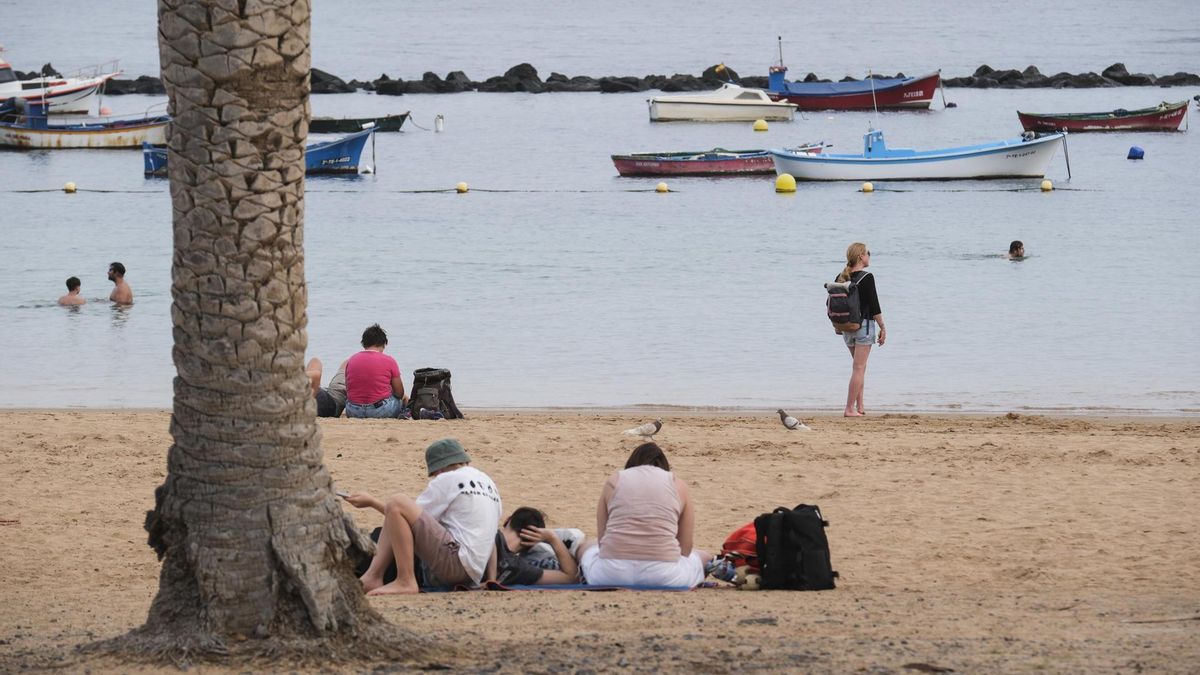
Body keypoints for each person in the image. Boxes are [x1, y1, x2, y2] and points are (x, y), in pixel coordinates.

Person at [347, 438, 501, 595]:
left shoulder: (447, 478)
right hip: (474, 575)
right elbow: (490, 536)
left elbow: (401, 516)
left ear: (439, 470)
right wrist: (490, 579)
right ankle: (372, 577)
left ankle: (404, 580)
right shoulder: (489, 483)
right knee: (398, 507)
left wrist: (372, 502)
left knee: (397, 501)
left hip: (454, 566)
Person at [576, 442, 710, 588]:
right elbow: (685, 549)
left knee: (586, 546)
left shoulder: (614, 481)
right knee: (704, 556)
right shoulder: (679, 485)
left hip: (610, 574)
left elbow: (603, 542)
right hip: (665, 576)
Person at [836, 242, 885, 417]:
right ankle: (849, 408)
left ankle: (860, 406)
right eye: (868, 253)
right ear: (861, 257)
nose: (869, 256)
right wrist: (883, 327)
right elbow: (874, 305)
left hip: (846, 328)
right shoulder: (867, 277)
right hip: (863, 327)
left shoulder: (840, 277)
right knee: (859, 368)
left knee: (859, 368)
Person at [488, 507, 580, 585]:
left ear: (507, 520)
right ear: (533, 542)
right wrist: (552, 538)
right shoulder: (519, 569)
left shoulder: (484, 532)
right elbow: (572, 577)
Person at [344, 324, 408, 419]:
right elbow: (399, 393)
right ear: (384, 343)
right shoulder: (389, 361)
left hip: (353, 410)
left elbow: (349, 388)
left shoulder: (352, 360)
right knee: (403, 399)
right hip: (380, 411)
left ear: (363, 343)